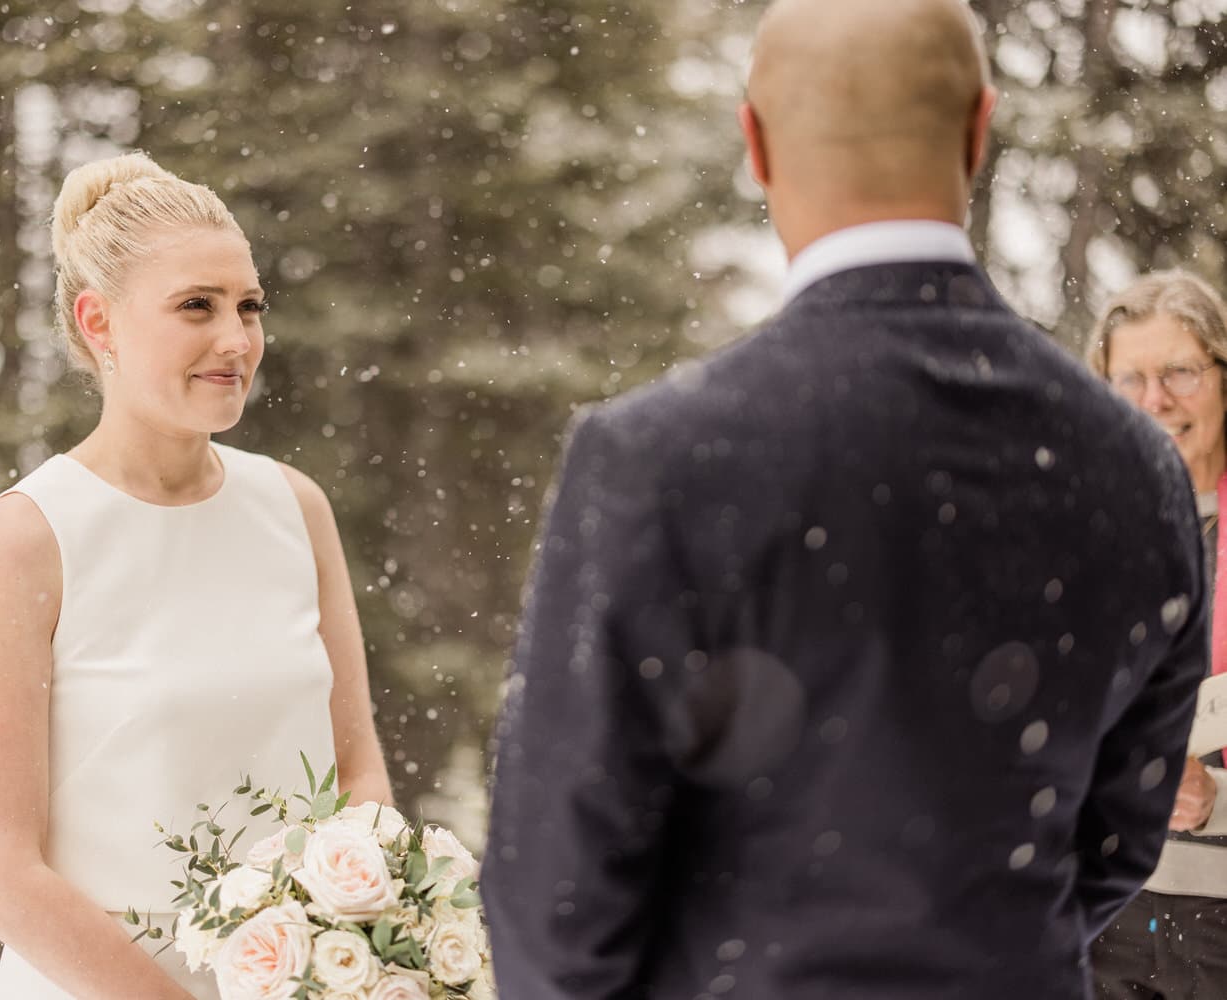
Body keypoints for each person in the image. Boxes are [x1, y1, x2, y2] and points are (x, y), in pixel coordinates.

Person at [481, 1, 1206, 997]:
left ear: (755, 143)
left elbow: (558, 890)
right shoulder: (1135, 464)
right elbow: (1121, 832)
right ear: (978, 128)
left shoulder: (657, 454)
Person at [0, 151, 392, 999]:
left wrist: (360, 955)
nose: (236, 338)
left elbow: (358, 771)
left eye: (248, 307)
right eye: (196, 307)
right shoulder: (26, 539)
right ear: (98, 322)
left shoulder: (295, 507)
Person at [1087, 270, 1227, 999]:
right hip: (1105, 916)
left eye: (1179, 371)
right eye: (1129, 378)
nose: (1155, 400)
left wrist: (1217, 799)